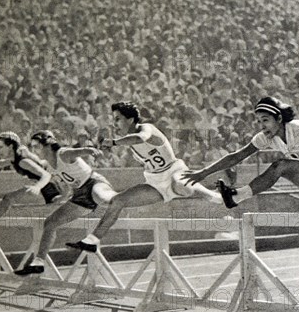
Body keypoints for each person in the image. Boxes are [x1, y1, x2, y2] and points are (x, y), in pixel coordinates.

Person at [64, 102, 222, 253]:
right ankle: (92, 241)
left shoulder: (146, 128)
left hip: (174, 171)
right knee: (118, 201)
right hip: (156, 183)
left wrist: (113, 142)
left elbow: (141, 138)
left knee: (181, 184)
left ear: (130, 119)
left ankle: (217, 197)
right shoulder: (130, 142)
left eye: (118, 119)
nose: (115, 123)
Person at [14, 131, 118, 275]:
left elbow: (82, 150)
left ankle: (127, 198)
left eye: (37, 146)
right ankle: (39, 261)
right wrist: (62, 198)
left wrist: (93, 151)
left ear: (48, 145)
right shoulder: (49, 166)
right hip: (79, 196)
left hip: (93, 182)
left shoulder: (62, 153)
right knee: (50, 223)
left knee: (104, 199)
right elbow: (68, 184)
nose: (34, 150)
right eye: (32, 147)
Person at [0, 132, 62, 236]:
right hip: (43, 186)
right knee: (9, 198)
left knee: (9, 198)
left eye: (0, 147)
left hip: (51, 189)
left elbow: (46, 175)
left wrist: (37, 187)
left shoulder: (23, 161)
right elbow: (0, 163)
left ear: (11, 146)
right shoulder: (14, 158)